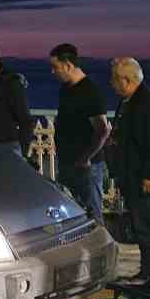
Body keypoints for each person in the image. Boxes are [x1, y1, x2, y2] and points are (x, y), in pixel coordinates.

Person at [107, 57, 150, 291]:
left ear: (126, 80)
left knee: (148, 225)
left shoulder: (146, 103)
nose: (111, 83)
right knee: (140, 225)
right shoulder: (130, 101)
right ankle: (148, 272)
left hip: (144, 177)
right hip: (132, 175)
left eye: (114, 79)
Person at [48, 44, 111, 222]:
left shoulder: (90, 91)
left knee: (92, 213)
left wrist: (86, 158)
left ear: (68, 65)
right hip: (68, 161)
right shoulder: (66, 89)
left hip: (85, 166)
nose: (53, 72)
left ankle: (99, 247)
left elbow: (102, 129)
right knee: (70, 212)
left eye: (55, 67)